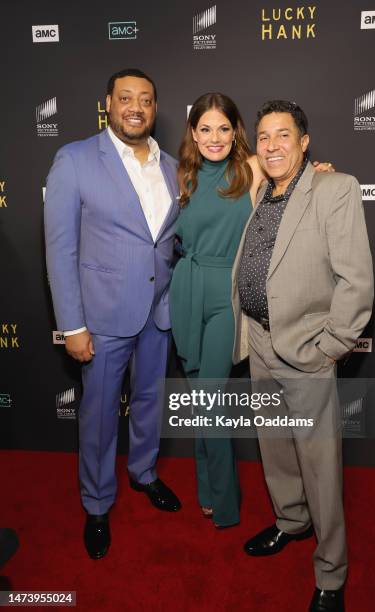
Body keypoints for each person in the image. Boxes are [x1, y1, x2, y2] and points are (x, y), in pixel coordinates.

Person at [231, 100, 374, 611]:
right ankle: (291, 522)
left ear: (305, 141)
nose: (271, 145)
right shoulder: (262, 192)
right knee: (276, 449)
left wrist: (330, 348)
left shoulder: (335, 188)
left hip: (307, 351)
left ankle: (331, 574)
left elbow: (356, 281)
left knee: (320, 466)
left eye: (283, 136)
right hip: (261, 345)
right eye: (264, 136)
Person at [170, 93, 333, 529]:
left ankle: (224, 502)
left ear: (236, 131)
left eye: (224, 128)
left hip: (227, 294)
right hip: (185, 288)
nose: (215, 138)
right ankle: (206, 487)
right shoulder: (181, 174)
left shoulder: (252, 168)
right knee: (197, 399)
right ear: (193, 133)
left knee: (209, 397)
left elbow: (296, 175)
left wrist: (322, 173)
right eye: (205, 128)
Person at [44, 68, 181, 560]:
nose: (135, 107)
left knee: (149, 402)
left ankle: (144, 473)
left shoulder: (170, 166)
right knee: (99, 416)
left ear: (154, 108)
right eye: (125, 98)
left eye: (145, 99)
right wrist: (72, 325)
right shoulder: (76, 160)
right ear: (108, 103)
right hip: (100, 318)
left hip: (157, 313)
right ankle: (97, 503)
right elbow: (60, 250)